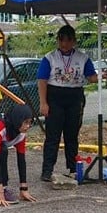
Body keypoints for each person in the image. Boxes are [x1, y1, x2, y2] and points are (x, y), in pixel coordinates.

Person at [37, 25, 97, 181]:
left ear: (74, 41)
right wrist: (43, 102)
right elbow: (42, 80)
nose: (64, 44)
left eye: (68, 41)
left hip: (74, 96)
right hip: (55, 96)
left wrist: (99, 76)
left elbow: (91, 77)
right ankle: (47, 170)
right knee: (52, 136)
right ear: (57, 40)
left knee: (72, 135)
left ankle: (73, 168)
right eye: (61, 40)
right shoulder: (49, 58)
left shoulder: (82, 58)